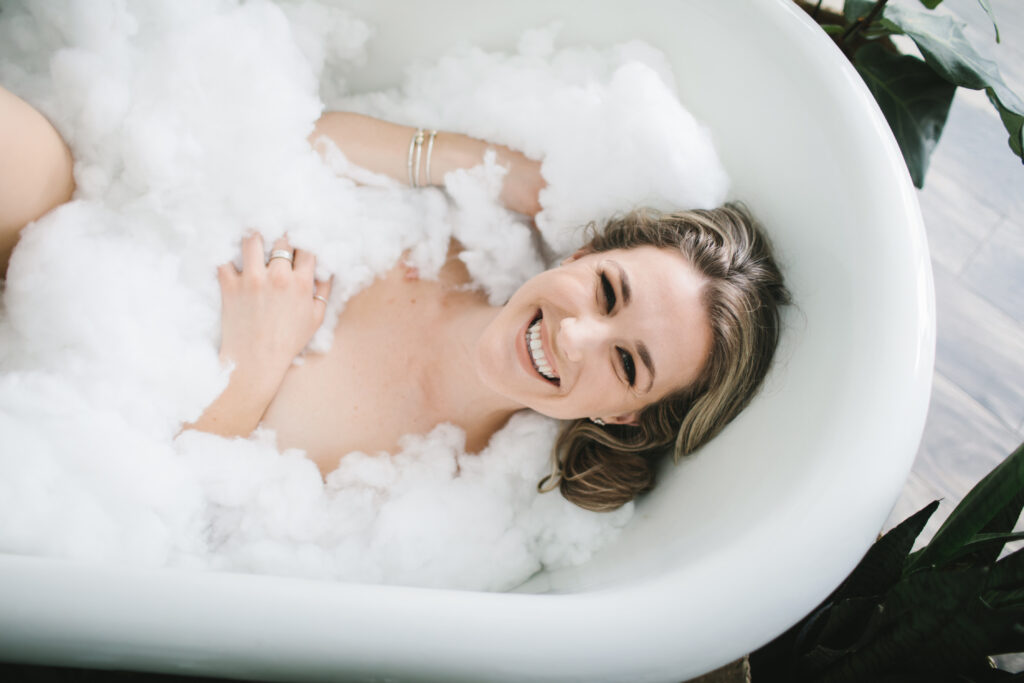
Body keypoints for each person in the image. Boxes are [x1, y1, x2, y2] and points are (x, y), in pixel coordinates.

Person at [0, 89, 790, 512]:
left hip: (60, 411)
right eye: (608, 290)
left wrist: (255, 367)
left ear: (625, 417)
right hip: (88, 241)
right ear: (585, 254)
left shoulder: (440, 494)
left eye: (627, 362)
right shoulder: (460, 240)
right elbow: (300, 141)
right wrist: (498, 169)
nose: (575, 333)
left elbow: (153, 504)